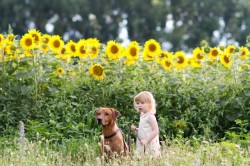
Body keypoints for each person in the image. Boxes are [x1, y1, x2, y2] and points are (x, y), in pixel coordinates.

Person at [130, 91, 161, 158]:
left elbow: (155, 130)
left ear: (150, 104)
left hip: (149, 142)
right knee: (142, 158)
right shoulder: (142, 115)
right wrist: (135, 129)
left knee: (150, 158)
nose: (139, 105)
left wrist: (147, 140)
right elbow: (144, 129)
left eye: (142, 103)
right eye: (138, 103)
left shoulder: (150, 116)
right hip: (142, 142)